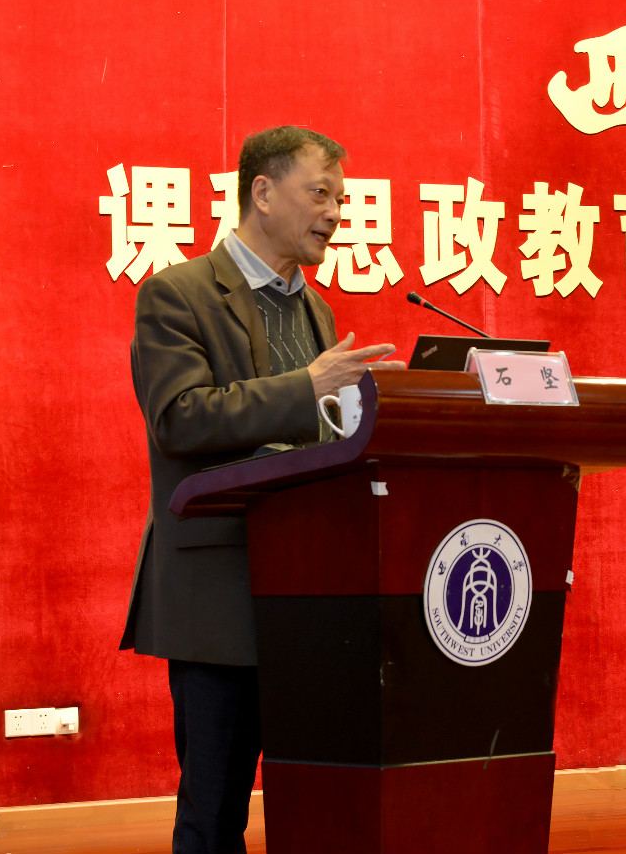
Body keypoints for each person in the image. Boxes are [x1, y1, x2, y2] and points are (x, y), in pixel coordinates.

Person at [119, 125, 403, 854]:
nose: (335, 213)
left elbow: (314, 437)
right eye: (321, 193)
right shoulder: (178, 294)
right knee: (214, 813)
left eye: (340, 199)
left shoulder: (317, 311)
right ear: (264, 192)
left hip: (309, 593)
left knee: (316, 801)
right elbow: (180, 418)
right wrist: (308, 388)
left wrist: (363, 412)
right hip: (221, 595)